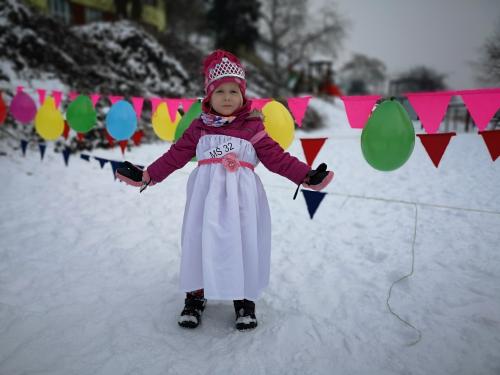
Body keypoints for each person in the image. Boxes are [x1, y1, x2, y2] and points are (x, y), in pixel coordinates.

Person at [117, 50, 333, 331]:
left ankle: (244, 299)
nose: (228, 97)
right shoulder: (199, 128)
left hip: (242, 200)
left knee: (242, 243)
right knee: (198, 242)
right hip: (204, 200)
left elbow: (277, 158)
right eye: (220, 91)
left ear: (243, 95)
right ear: (208, 95)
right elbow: (175, 155)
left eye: (234, 91)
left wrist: (306, 175)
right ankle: (195, 296)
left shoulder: (253, 128)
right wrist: (147, 175)